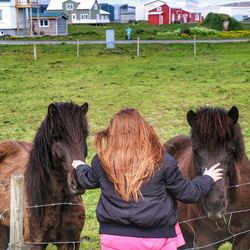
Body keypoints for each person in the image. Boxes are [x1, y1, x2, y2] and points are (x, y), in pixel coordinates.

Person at [72, 108, 223, 250]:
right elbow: (188, 193)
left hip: (113, 237)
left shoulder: (101, 161)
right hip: (155, 237)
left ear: (112, 132)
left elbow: (88, 180)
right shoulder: (163, 161)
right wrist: (208, 178)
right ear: (143, 131)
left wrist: (80, 166)